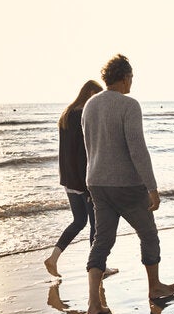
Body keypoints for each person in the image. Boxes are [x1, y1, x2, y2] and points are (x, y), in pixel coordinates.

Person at [82, 54, 174, 314]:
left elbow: (89, 145)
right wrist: (152, 187)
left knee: (102, 241)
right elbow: (138, 149)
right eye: (132, 77)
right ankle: (155, 286)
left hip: (96, 182)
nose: (132, 81)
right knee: (148, 235)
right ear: (125, 77)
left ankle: (93, 302)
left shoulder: (90, 105)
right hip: (126, 184)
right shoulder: (129, 105)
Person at [44, 80, 121, 278]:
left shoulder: (66, 114)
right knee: (97, 226)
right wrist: (87, 186)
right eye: (96, 97)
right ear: (91, 94)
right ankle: (97, 269)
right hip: (81, 181)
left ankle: (53, 258)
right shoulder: (81, 116)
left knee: (79, 221)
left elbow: (67, 153)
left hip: (68, 180)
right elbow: (82, 154)